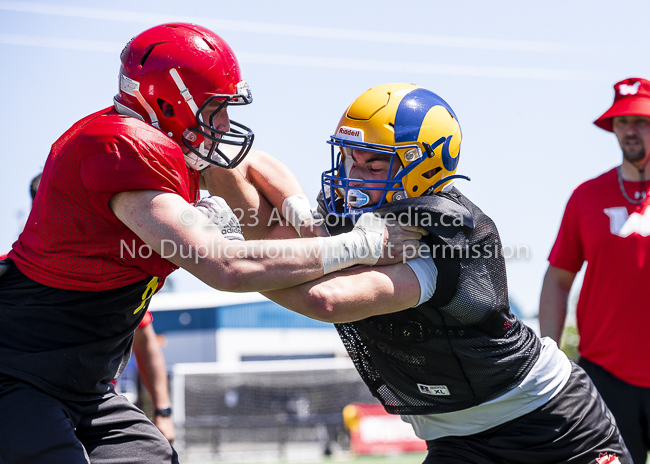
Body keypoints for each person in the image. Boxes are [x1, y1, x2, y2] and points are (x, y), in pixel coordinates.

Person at [0, 24, 420, 463]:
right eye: (216, 108)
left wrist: (297, 209)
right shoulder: (120, 145)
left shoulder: (167, 146)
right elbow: (227, 267)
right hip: (18, 371)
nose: (224, 123)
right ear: (169, 100)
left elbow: (253, 163)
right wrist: (363, 244)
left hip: (82, 386)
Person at [206, 83, 632, 464]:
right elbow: (254, 168)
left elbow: (327, 298)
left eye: (374, 166)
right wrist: (295, 211)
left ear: (425, 167)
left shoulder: (445, 229)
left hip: (549, 422)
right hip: (454, 438)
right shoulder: (351, 210)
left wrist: (237, 261)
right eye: (349, 158)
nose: (353, 177)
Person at [539, 77, 650, 464]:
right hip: (605, 377)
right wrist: (550, 359)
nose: (630, 130)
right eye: (622, 121)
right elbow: (557, 278)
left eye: (641, 120)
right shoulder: (586, 196)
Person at [31, 171, 176, 442]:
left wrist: (163, 411)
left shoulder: (112, 274)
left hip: (96, 408)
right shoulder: (15, 274)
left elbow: (145, 344)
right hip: (33, 405)